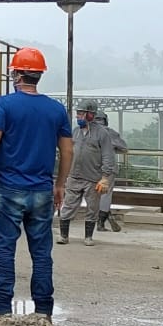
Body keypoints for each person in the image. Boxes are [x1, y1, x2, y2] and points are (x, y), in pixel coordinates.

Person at [0, 47, 73, 320]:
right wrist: (60, 184)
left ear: (17, 75)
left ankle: (2, 313)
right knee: (41, 254)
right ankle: (43, 313)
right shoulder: (56, 109)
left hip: (9, 189)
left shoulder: (4, 105)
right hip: (42, 190)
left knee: (5, 252)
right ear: (39, 75)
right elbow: (68, 150)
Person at [60, 101, 118, 246]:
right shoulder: (75, 131)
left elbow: (108, 155)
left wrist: (105, 177)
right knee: (68, 205)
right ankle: (63, 236)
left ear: (90, 115)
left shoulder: (102, 134)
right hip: (74, 176)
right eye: (78, 113)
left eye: (81, 113)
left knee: (92, 207)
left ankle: (88, 237)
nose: (78, 116)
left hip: (93, 178)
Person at [96, 111, 127, 231]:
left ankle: (103, 217)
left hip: (90, 168)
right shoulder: (110, 133)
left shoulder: (87, 132)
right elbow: (124, 147)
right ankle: (101, 222)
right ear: (105, 121)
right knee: (105, 194)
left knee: (93, 194)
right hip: (108, 168)